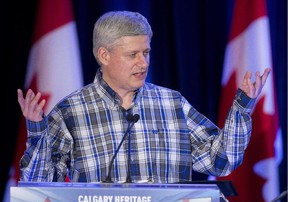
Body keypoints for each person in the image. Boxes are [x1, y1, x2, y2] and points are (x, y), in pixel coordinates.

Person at [17, 10, 270, 183]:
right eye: (133, 54)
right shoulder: (70, 111)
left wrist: (243, 106)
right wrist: (38, 131)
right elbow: (42, 184)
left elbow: (220, 161)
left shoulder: (172, 104)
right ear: (104, 55)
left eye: (146, 52)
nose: (144, 62)